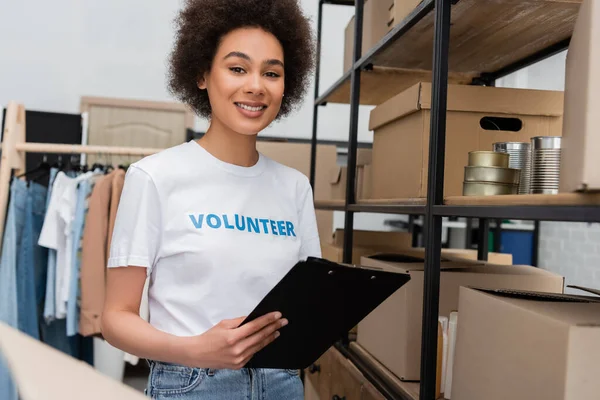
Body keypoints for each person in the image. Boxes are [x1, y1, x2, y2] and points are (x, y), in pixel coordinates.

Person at [100, 0, 320, 398]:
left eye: (271, 73)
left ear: (286, 86)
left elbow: (306, 303)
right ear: (202, 73)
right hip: (192, 383)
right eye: (237, 68)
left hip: (283, 383)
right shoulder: (155, 177)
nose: (256, 85)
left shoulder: (295, 188)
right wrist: (196, 350)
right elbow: (115, 318)